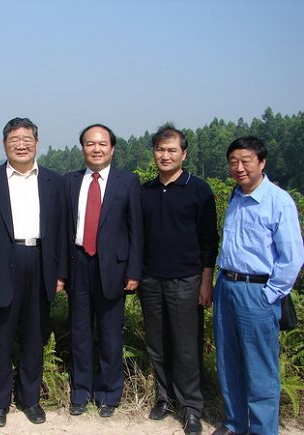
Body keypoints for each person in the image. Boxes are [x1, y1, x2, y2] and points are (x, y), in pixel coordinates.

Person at [0, 117, 66, 428]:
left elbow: (62, 231)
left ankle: (30, 399)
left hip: (40, 261)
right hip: (1, 266)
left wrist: (61, 272)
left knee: (35, 336)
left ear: (37, 143)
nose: (21, 145)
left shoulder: (54, 181)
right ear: (4, 144)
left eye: (27, 139)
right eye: (14, 140)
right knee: (1, 337)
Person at [212, 136, 304, 435]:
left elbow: (292, 257)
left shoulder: (278, 201)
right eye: (233, 162)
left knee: (259, 366)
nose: (239, 168)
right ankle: (234, 423)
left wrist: (271, 294)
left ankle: (263, 429)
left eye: (246, 161)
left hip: (258, 291)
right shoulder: (236, 196)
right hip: (227, 285)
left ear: (262, 162)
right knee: (229, 360)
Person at [139, 126, 219, 435]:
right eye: (160, 149)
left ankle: (191, 408)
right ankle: (165, 397)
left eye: (172, 150)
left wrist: (206, 281)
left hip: (186, 280)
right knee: (157, 344)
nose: (165, 155)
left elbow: (209, 240)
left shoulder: (198, 189)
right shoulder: (145, 191)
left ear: (183, 154)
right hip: (150, 279)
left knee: (186, 347)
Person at [63, 124, 143, 418]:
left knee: (110, 334)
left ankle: (109, 393)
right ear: (82, 148)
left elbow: (136, 230)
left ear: (112, 148)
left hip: (113, 268)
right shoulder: (69, 182)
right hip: (78, 263)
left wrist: (134, 271)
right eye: (90, 144)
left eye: (102, 144)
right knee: (80, 332)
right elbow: (62, 229)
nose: (96, 149)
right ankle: (80, 391)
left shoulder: (128, 181)